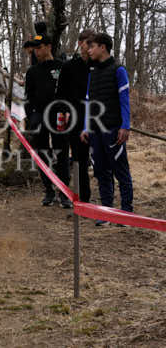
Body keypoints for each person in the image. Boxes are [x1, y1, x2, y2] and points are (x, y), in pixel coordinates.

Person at [80, 32, 133, 226]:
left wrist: (125, 126)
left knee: (121, 171)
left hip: (113, 129)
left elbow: (124, 100)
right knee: (101, 171)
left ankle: (126, 213)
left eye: (92, 46)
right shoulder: (92, 72)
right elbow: (88, 102)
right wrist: (85, 127)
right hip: (95, 131)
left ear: (103, 47)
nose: (89, 50)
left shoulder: (119, 70)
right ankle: (106, 213)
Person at [24, 33, 71, 208]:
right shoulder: (32, 71)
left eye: (39, 48)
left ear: (49, 47)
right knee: (42, 153)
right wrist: (31, 117)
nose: (36, 52)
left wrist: (67, 111)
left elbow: (69, 93)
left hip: (59, 116)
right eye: (34, 49)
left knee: (62, 152)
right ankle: (48, 191)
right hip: (39, 116)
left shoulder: (62, 67)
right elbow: (28, 97)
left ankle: (64, 192)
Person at [57, 29, 95, 203]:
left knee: (102, 162)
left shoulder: (98, 66)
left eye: (93, 43)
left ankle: (108, 203)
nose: (91, 46)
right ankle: (83, 199)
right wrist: (64, 112)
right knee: (80, 159)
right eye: (88, 43)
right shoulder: (69, 67)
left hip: (97, 118)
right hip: (75, 119)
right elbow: (60, 94)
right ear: (80, 44)